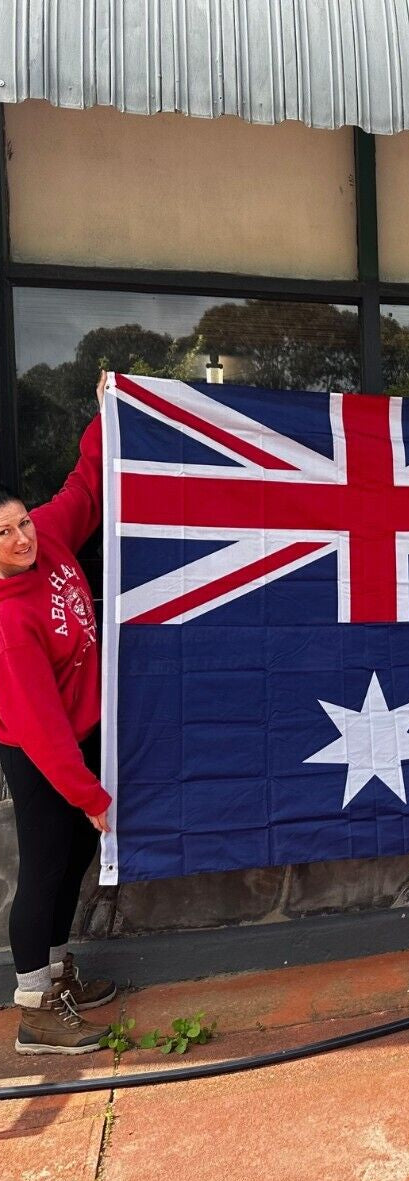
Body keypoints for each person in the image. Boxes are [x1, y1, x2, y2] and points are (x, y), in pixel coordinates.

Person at [0, 370, 116, 1054]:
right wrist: (89, 795)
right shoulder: (9, 624)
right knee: (44, 865)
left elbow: (86, 488)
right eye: (5, 534)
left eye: (21, 522)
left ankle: (57, 971)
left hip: (81, 732)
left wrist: (105, 411)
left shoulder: (49, 537)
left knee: (73, 856)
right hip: (41, 752)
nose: (22, 539)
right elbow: (41, 730)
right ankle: (34, 1009)